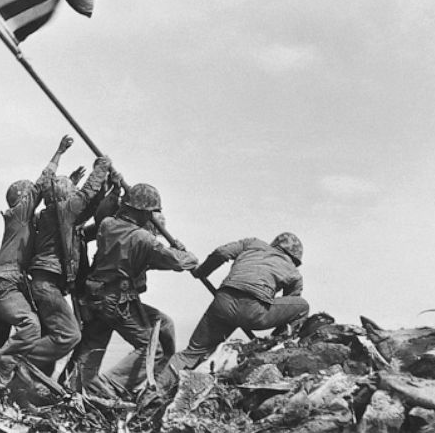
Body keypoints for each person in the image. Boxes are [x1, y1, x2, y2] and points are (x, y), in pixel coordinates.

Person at [0, 135, 74, 387]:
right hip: (6, 283)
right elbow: (42, 182)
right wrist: (59, 152)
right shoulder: (20, 214)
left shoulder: (21, 222)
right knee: (31, 326)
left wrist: (69, 185)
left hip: (2, 283)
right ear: (23, 198)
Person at [69, 183, 199, 397]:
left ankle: (73, 386)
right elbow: (179, 262)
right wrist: (187, 254)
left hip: (94, 297)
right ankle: (111, 386)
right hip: (116, 301)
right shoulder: (143, 239)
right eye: (150, 213)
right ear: (142, 212)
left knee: (160, 325)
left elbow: (135, 254)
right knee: (152, 348)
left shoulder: (108, 225)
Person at [161, 232, 309, 389]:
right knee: (302, 306)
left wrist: (201, 272)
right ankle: (279, 348)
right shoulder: (294, 273)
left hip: (223, 303)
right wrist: (275, 339)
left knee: (191, 353)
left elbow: (221, 253)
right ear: (295, 258)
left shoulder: (253, 243)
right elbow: (288, 310)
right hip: (254, 312)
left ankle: (155, 389)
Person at [24, 154, 112, 375]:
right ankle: (14, 358)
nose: (76, 195)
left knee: (51, 339)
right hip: (47, 285)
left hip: (45, 284)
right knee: (69, 335)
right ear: (65, 196)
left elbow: (89, 207)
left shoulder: (55, 216)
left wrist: (109, 188)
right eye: (72, 191)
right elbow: (87, 194)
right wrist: (101, 167)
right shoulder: (63, 210)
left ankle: (30, 380)